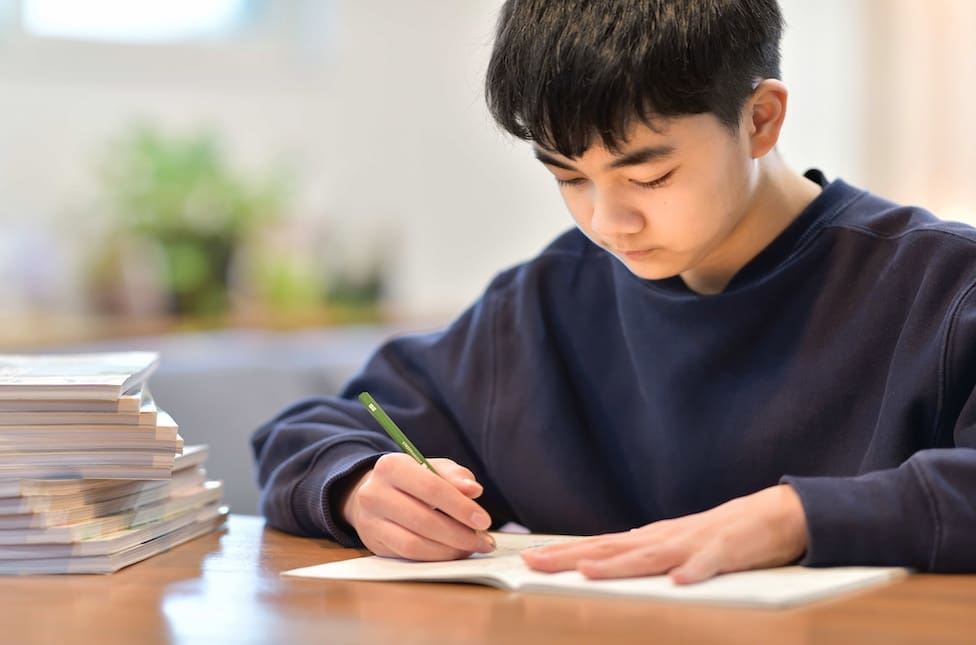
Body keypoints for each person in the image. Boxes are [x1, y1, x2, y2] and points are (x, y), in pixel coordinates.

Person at [252, 0, 976, 584]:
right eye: (568, 176)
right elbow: (308, 432)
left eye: (649, 176)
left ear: (760, 119)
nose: (607, 221)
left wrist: (795, 517)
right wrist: (358, 486)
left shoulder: (941, 288)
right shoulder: (545, 303)